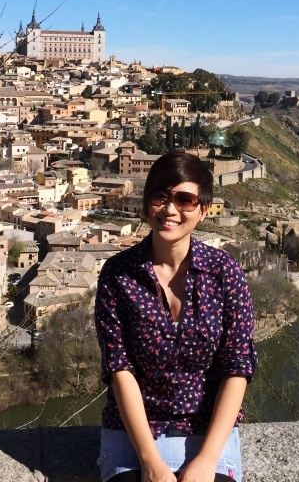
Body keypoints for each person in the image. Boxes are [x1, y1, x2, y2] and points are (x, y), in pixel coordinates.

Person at [95, 151, 256, 482]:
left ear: (203, 210)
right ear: (146, 201)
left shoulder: (225, 273)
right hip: (133, 430)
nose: (169, 210)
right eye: (160, 196)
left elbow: (237, 367)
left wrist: (206, 460)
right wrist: (150, 462)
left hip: (207, 427)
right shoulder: (118, 274)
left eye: (184, 200)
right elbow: (118, 368)